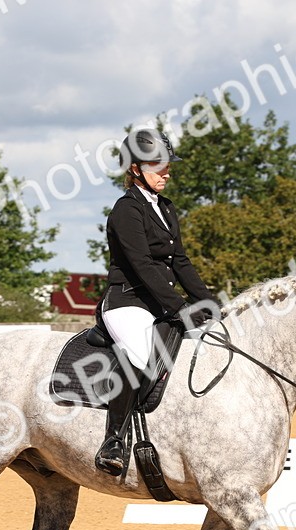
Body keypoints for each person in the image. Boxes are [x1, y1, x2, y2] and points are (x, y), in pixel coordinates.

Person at [94, 128, 218, 476]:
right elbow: (143, 266)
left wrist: (209, 302)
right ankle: (113, 441)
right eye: (158, 166)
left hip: (158, 303)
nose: (166, 172)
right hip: (127, 302)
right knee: (138, 352)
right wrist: (180, 308)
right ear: (135, 168)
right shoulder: (126, 210)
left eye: (167, 166)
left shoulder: (165, 207)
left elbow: (180, 261)